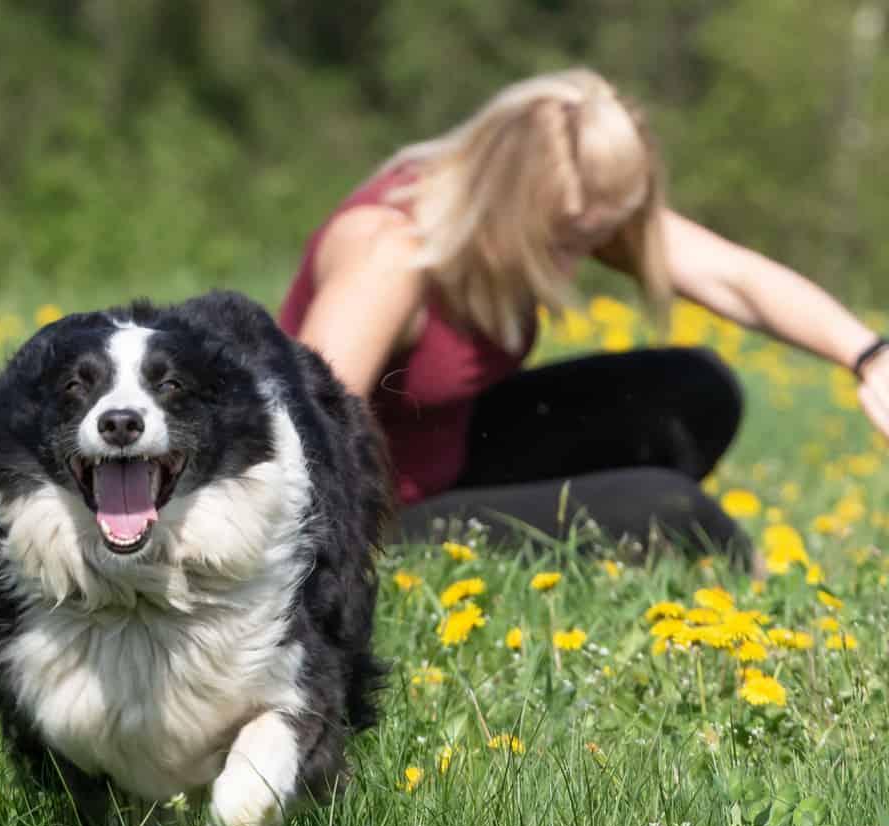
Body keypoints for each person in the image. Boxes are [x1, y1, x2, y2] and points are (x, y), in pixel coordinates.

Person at [279, 68, 889, 566]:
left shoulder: (562, 202)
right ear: (507, 198)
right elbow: (299, 445)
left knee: (695, 388)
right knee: (673, 514)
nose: (575, 265)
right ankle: (737, 581)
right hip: (378, 522)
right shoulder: (390, 254)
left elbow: (734, 279)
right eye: (564, 241)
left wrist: (870, 357)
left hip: (453, 461)